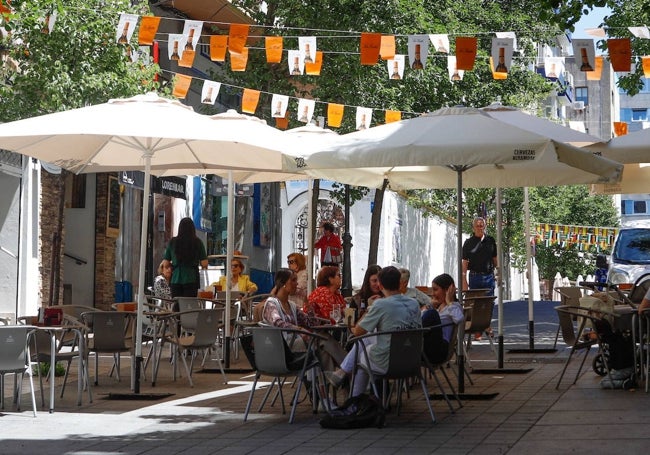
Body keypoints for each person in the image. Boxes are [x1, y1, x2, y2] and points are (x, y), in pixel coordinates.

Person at [324, 266, 422, 396]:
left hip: (389, 363)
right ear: (400, 283)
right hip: (413, 360)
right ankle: (344, 376)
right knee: (368, 339)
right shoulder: (414, 303)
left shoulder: (381, 304)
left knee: (362, 353)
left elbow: (357, 332)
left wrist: (353, 318)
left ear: (381, 285)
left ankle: (354, 400)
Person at [162, 217, 208, 298]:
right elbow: (204, 263)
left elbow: (165, 264)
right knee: (189, 307)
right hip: (192, 278)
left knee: (177, 307)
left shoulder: (172, 242)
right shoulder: (198, 242)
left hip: (176, 278)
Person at [461, 216, 498, 296]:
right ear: (473, 228)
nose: (479, 228)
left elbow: (495, 259)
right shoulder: (468, 243)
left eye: (481, 226)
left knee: (489, 304)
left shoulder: (491, 241)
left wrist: (497, 272)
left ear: (484, 227)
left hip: (488, 277)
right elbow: (464, 262)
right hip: (474, 278)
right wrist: (464, 280)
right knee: (474, 305)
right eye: (477, 226)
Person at [430, 273, 464, 344]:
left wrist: (448, 301)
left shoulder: (454, 306)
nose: (432, 294)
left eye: (435, 290)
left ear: (447, 290)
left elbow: (459, 318)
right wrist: (430, 307)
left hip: (440, 344)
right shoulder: (439, 306)